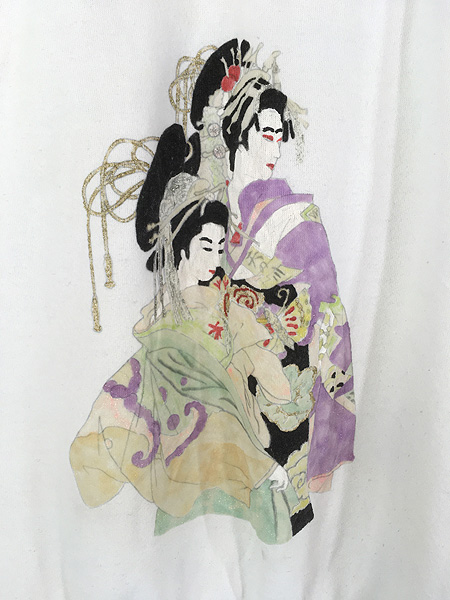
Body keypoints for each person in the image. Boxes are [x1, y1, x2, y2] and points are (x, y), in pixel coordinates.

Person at [71, 165, 305, 544]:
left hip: (233, 436)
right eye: (205, 246)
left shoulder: (216, 300)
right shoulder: (170, 326)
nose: (215, 257)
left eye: (219, 247)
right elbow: (207, 402)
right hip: (203, 450)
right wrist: (260, 465)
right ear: (181, 247)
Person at [189, 40, 356, 501]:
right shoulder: (210, 207)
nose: (275, 147)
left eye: (280, 135)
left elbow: (329, 314)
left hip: (283, 388)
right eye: (266, 133)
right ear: (237, 131)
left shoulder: (297, 219)